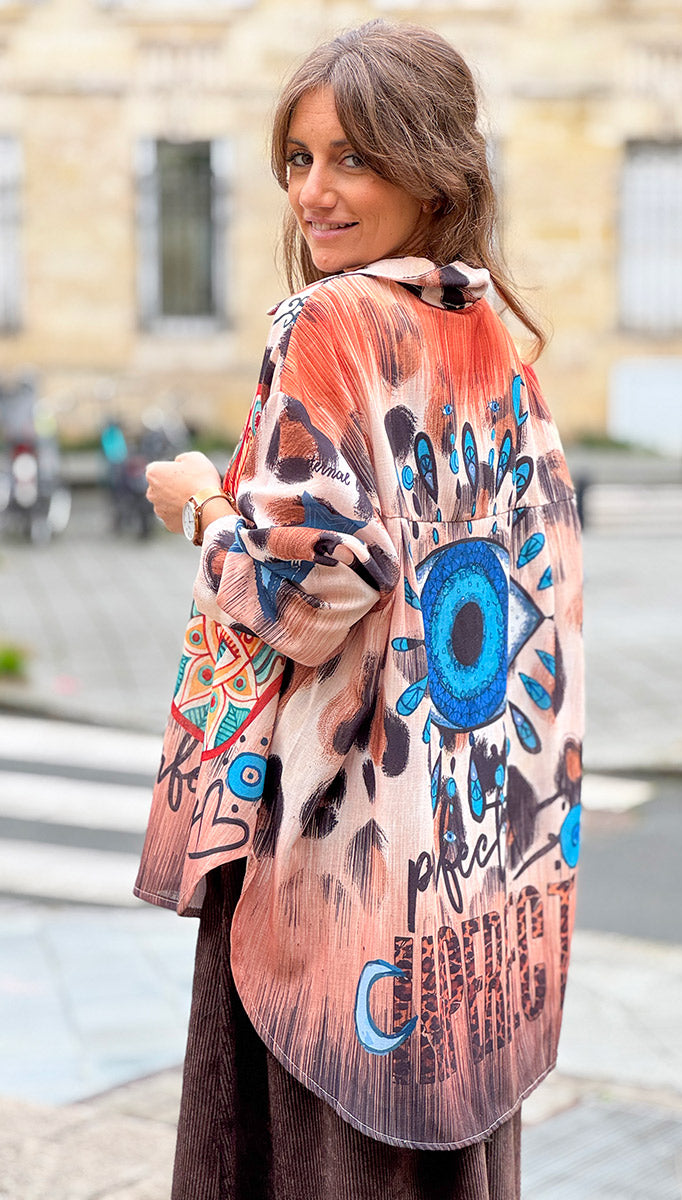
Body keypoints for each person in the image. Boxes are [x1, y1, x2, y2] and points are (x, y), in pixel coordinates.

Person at [136, 19, 583, 1200]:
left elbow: (309, 591)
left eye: (353, 159)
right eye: (297, 159)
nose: (314, 195)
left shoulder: (327, 323)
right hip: (462, 856)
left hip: (335, 854)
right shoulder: (492, 332)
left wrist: (201, 508)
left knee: (312, 1144)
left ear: (432, 166)